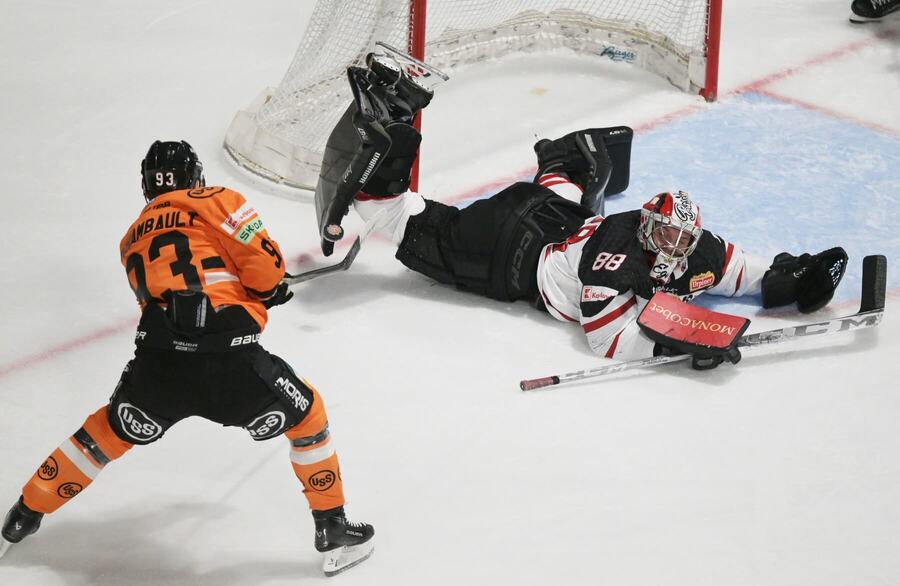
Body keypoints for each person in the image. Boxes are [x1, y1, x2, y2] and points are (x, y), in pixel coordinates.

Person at [316, 61, 848, 370]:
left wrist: (790, 280)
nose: (674, 244)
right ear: (645, 226)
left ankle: (563, 160)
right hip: (508, 252)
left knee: (567, 202)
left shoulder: (693, 245)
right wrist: (679, 346)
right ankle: (392, 120)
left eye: (681, 235)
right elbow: (607, 340)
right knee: (404, 223)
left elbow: (741, 272)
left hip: (554, 215)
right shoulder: (613, 267)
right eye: (664, 232)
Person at [0, 141, 374, 577]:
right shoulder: (216, 200)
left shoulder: (131, 238)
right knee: (308, 417)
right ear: (195, 176)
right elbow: (263, 269)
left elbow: (178, 289)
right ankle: (332, 527)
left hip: (158, 368)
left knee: (103, 433)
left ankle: (22, 516)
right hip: (230, 365)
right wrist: (269, 290)